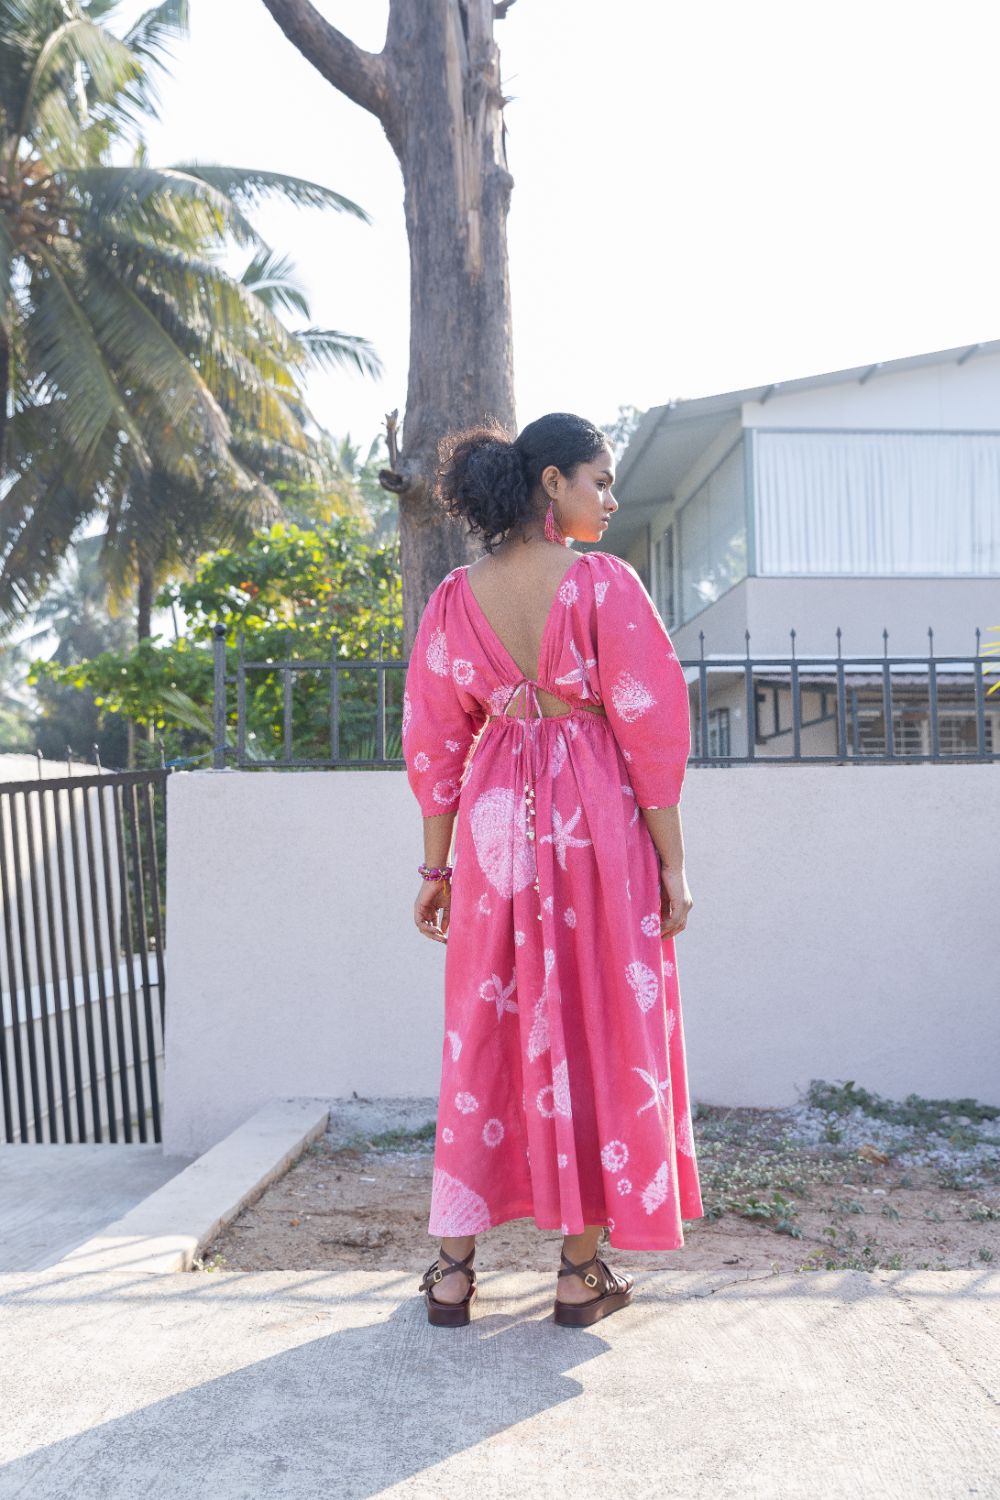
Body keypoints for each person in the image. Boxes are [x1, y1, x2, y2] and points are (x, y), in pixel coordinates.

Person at [402, 411, 704, 1329]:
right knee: (601, 1022)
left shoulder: (455, 597)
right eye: (598, 480)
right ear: (550, 483)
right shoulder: (603, 585)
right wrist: (674, 865)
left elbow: (434, 739)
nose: (609, 499)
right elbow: (651, 732)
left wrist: (435, 867)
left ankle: (452, 1273)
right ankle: (578, 1276)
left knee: (484, 1028)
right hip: (594, 825)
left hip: (494, 828)